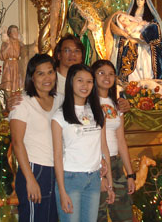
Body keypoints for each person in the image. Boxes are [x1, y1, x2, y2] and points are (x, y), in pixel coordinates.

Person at [51, 64, 115, 222]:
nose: (85, 85)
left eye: (89, 81)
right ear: (71, 82)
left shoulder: (97, 112)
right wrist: (62, 191)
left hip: (93, 179)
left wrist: (110, 182)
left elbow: (104, 148)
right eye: (80, 80)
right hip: (70, 179)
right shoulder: (59, 117)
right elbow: (57, 156)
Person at [6, 35, 130, 113]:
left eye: (77, 51)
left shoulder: (88, 80)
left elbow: (103, 98)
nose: (72, 55)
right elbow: (29, 96)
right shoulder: (48, 79)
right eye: (67, 50)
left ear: (82, 57)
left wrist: (121, 103)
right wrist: (11, 104)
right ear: (58, 55)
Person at [9, 54, 63, 222]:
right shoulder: (23, 103)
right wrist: (30, 180)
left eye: (50, 72)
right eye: (41, 73)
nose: (47, 78)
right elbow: (17, 143)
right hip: (35, 169)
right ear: (32, 77)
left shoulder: (60, 100)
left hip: (58, 169)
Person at [109, 0, 162, 98]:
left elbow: (155, 36)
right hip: (132, 51)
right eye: (137, 0)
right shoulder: (128, 18)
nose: (139, 2)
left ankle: (149, 94)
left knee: (147, 69)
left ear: (146, 2)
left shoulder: (151, 22)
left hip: (146, 51)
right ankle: (134, 94)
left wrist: (142, 36)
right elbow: (122, 35)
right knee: (134, 72)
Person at [91, 60, 135, 222]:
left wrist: (130, 174)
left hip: (116, 163)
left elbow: (121, 140)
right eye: (101, 73)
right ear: (93, 77)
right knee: (99, 214)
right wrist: (100, 174)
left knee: (123, 214)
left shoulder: (117, 104)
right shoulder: (89, 103)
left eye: (111, 74)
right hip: (97, 163)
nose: (107, 77)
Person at [67, 0, 110, 65]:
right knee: (88, 53)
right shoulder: (77, 2)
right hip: (86, 34)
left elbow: (106, 17)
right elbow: (72, 19)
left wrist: (103, 24)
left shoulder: (98, 2)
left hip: (99, 34)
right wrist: (86, 25)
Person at [0, 25, 22, 95]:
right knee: (8, 84)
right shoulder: (6, 42)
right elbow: (2, 56)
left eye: (17, 31)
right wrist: (8, 46)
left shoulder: (19, 43)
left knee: (17, 85)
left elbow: (23, 54)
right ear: (9, 33)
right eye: (14, 31)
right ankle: (8, 101)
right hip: (8, 65)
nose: (16, 33)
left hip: (16, 65)